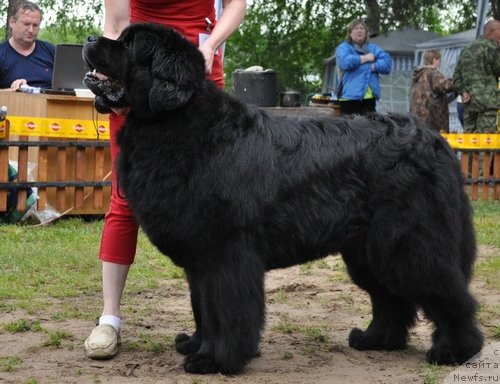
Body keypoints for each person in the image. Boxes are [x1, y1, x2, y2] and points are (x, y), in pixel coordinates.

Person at [84, 0, 247, 360]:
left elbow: (237, 4)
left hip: (199, 69)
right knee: (126, 198)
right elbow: (115, 25)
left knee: (209, 200)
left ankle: (212, 327)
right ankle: (109, 319)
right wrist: (114, 86)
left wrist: (211, 44)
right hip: (139, 70)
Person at [335, 18, 391, 115]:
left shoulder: (373, 48)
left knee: (370, 129)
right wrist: (365, 58)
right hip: (349, 98)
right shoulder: (344, 48)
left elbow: (387, 64)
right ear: (350, 33)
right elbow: (345, 62)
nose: (359, 31)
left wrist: (372, 67)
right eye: (356, 28)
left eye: (362, 28)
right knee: (351, 129)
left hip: (370, 100)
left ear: (366, 33)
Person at [452, 19, 500, 133]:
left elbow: (456, 77)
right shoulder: (492, 48)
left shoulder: (466, 49)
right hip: (487, 103)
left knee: (469, 140)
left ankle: (467, 152)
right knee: (486, 141)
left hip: (469, 103)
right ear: (490, 32)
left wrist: (463, 92)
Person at [0, 1, 55, 91]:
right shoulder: (2, 54)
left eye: (35, 25)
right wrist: (13, 90)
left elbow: (69, 86)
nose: (31, 30)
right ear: (12, 22)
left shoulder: (51, 51)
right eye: (26, 24)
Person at [409, 49, 456, 132]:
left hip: (417, 116)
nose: (439, 63)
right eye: (439, 60)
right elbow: (446, 85)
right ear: (434, 60)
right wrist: (459, 80)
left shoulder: (419, 75)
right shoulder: (432, 74)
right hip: (431, 118)